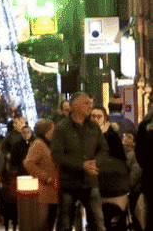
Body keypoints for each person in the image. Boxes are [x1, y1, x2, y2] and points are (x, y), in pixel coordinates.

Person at [51, 92, 106, 231]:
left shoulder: (93, 127)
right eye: (86, 103)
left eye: (91, 104)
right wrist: (81, 165)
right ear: (75, 105)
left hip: (90, 181)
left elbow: (103, 149)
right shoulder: (62, 128)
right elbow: (57, 155)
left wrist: (95, 162)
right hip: (69, 183)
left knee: (98, 222)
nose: (90, 107)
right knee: (65, 223)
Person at [92, 107, 130, 231]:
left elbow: (121, 159)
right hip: (101, 186)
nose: (95, 119)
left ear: (105, 119)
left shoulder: (112, 136)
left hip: (111, 186)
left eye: (99, 116)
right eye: (93, 116)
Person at [23, 119, 59, 231]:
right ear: (46, 131)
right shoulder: (38, 144)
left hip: (53, 190)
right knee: (45, 223)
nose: (54, 131)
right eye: (52, 129)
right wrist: (44, 176)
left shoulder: (49, 143)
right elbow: (28, 163)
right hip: (44, 191)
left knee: (50, 221)